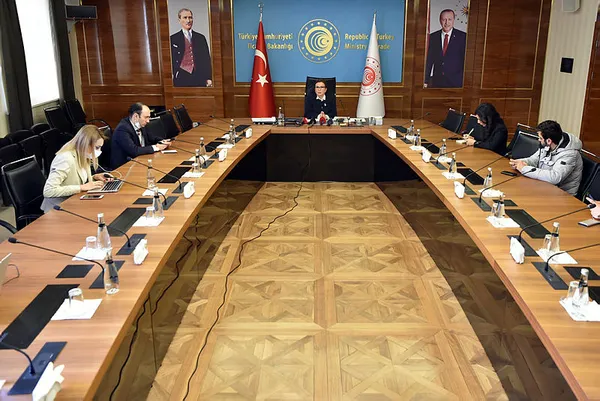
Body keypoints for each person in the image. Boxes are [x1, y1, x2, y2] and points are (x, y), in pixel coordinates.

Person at [41, 125, 112, 212]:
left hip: (74, 202)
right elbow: (48, 191)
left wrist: (94, 177)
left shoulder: (83, 155)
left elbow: (73, 179)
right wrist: (81, 187)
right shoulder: (65, 158)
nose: (99, 151)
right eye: (97, 147)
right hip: (58, 208)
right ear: (85, 144)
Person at [509, 120, 583, 195]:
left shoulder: (570, 154)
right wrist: (520, 162)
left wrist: (524, 169)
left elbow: (555, 177)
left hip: (562, 195)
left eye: (540, 138)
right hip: (543, 187)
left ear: (549, 141)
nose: (538, 140)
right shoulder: (549, 144)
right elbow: (534, 159)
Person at [110, 103, 169, 169]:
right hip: (124, 167)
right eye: (146, 117)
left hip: (140, 161)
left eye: (149, 117)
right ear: (136, 116)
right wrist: (156, 147)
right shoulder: (122, 129)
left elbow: (151, 138)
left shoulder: (140, 124)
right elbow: (134, 151)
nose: (148, 121)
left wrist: (162, 141)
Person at [424, 9, 467, 88]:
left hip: (456, 83)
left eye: (449, 19)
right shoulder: (433, 37)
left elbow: (466, 61)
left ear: (453, 20)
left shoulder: (463, 37)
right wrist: (425, 81)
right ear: (440, 20)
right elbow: (429, 61)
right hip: (437, 82)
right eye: (444, 19)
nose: (447, 23)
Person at [170, 8, 212, 87]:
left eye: (190, 17)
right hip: (181, 76)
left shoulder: (200, 38)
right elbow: (170, 59)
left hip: (199, 76)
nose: (188, 20)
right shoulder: (173, 38)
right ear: (179, 20)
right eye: (185, 17)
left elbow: (206, 59)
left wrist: (209, 77)